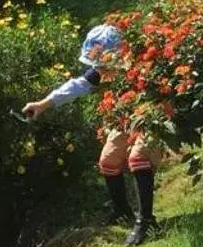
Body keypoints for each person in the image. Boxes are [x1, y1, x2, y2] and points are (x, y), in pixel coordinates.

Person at [23, 23, 137, 228]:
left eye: (102, 64)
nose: (98, 69)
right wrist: (42, 105)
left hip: (149, 118)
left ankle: (146, 220)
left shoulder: (138, 70)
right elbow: (76, 86)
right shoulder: (98, 74)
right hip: (126, 120)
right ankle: (122, 212)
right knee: (108, 161)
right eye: (97, 64)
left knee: (140, 159)